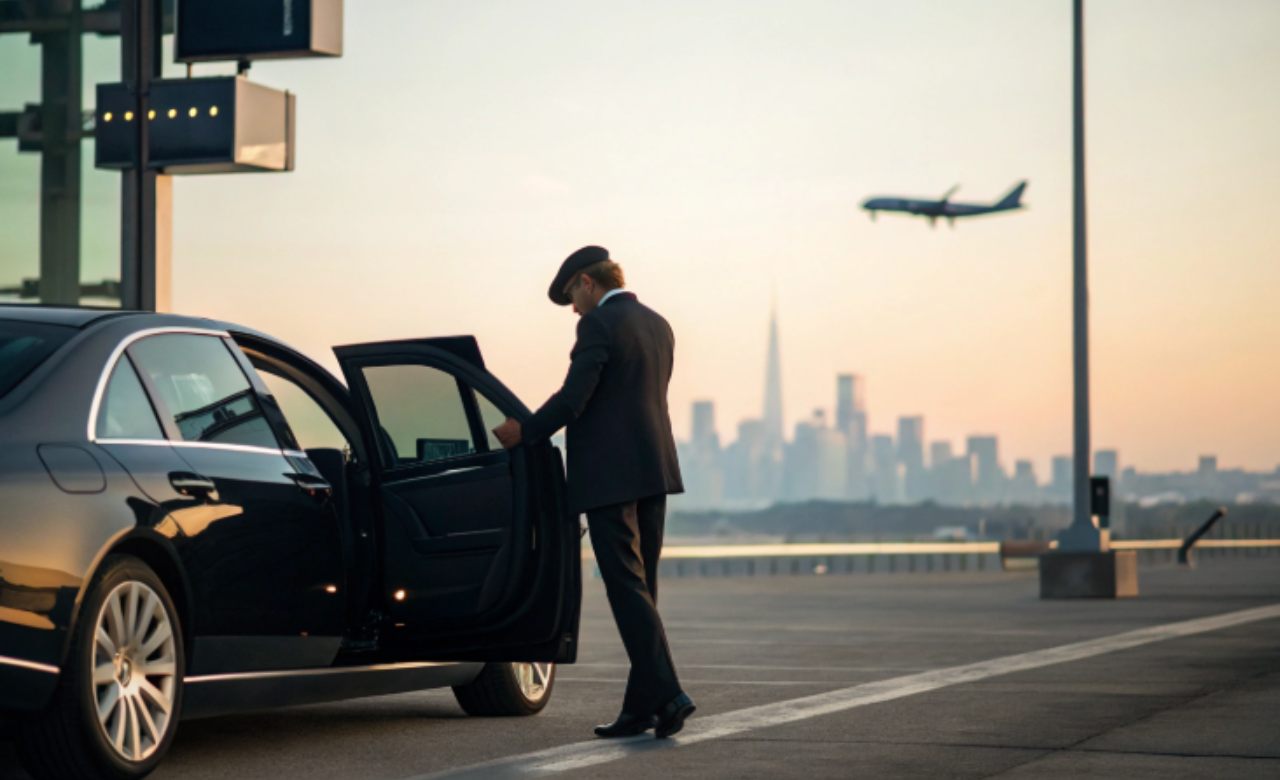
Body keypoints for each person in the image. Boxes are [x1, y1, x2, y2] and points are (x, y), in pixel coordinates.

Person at [491, 245, 695, 739]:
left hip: (610, 477)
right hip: (654, 471)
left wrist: (526, 431)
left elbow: (573, 398)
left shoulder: (599, 324)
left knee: (626, 587)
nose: (574, 311)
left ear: (587, 282)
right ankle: (643, 708)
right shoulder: (658, 323)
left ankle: (670, 694)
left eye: (572, 298)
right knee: (642, 589)